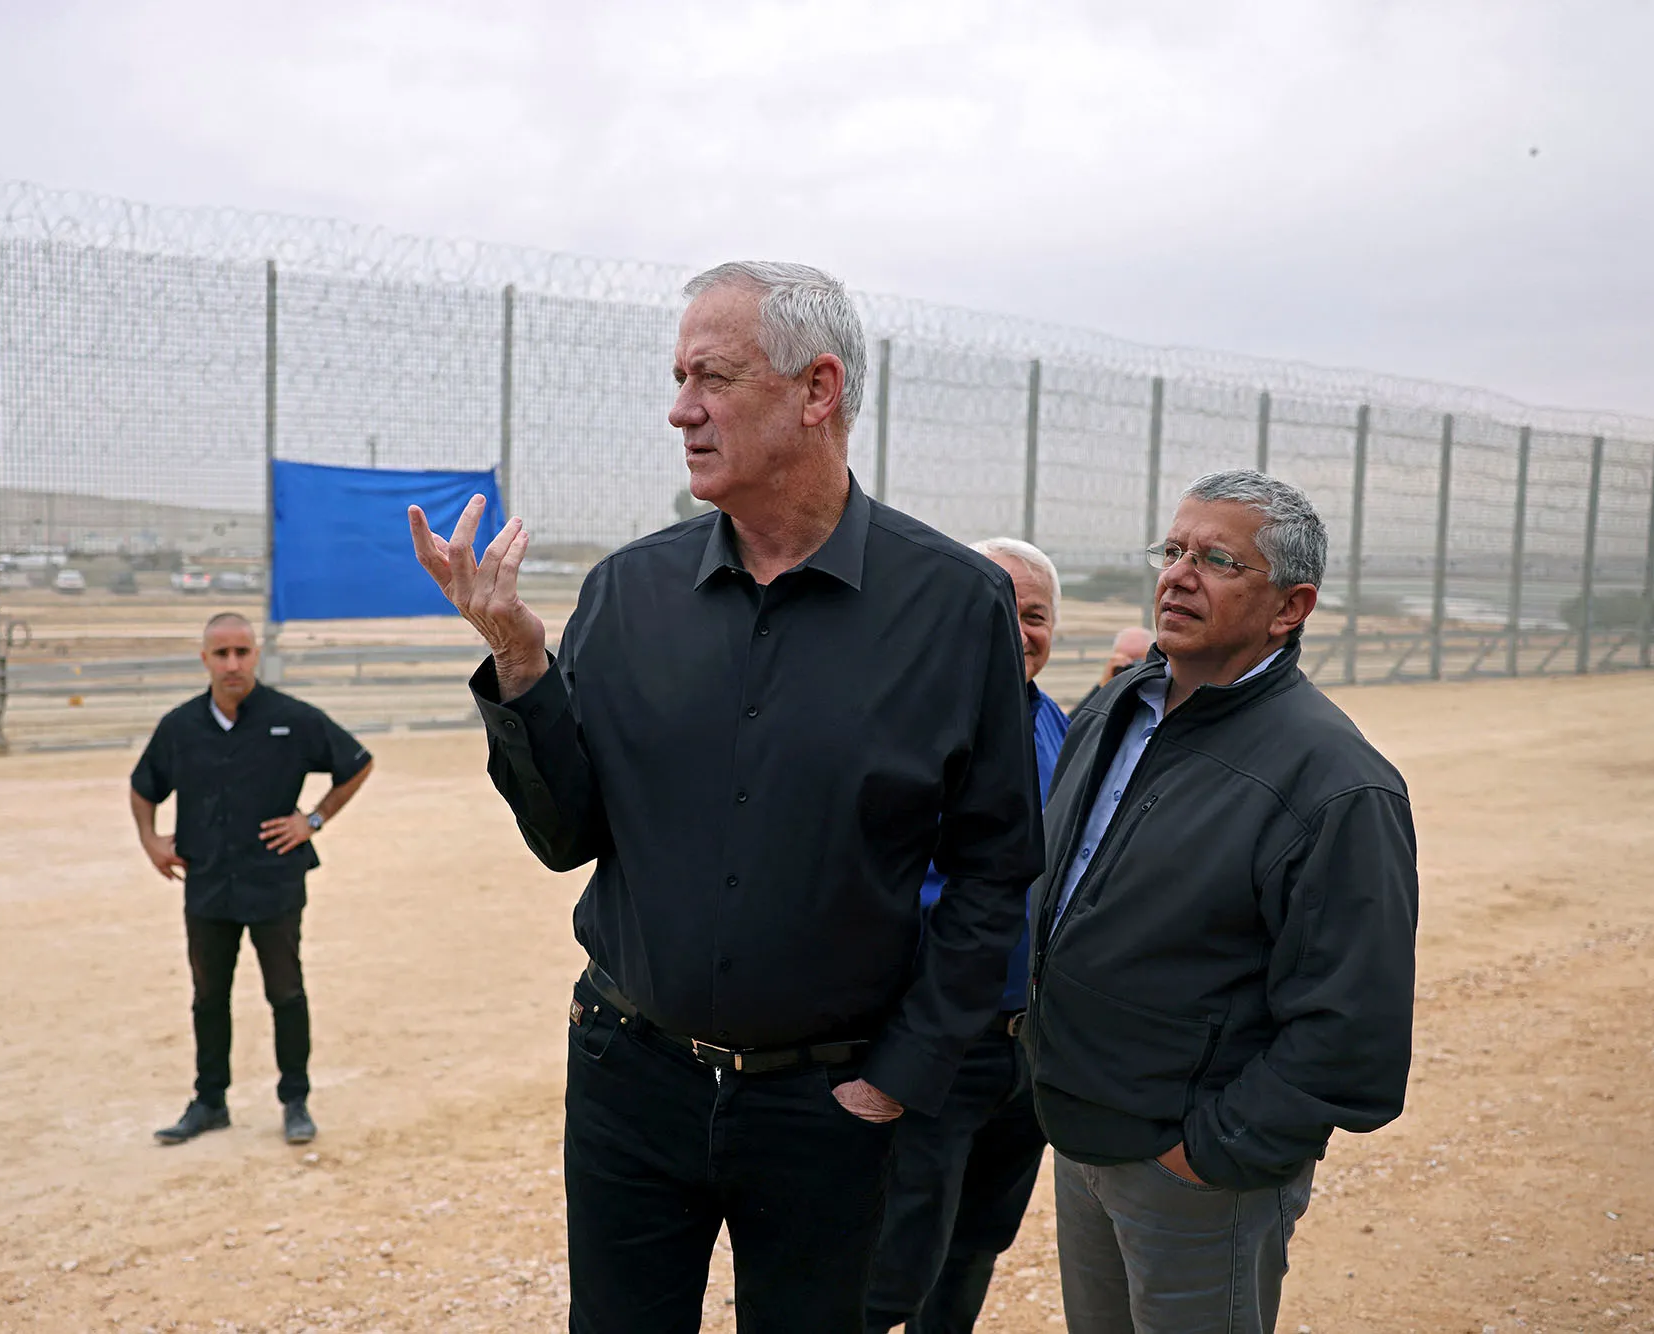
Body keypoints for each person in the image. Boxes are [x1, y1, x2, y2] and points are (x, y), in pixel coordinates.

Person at [408, 261, 1046, 1334]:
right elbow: (567, 834)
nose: (679, 408)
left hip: (831, 1108)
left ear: (817, 388)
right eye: (675, 375)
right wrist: (520, 661)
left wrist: (898, 1077)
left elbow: (994, 865)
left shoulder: (954, 605)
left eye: (711, 375)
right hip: (630, 1078)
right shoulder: (628, 590)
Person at [1024, 470, 1418, 1334]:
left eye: (1216, 560)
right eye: (1172, 550)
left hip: (1193, 1175)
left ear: (1291, 606)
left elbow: (1355, 1035)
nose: (1177, 574)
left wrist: (1205, 1154)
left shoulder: (1336, 783)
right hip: (1084, 1135)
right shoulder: (1118, 710)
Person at [864, 537, 1067, 1334]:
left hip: (1027, 1052)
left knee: (977, 1243)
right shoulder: (901, 730)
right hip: (934, 1044)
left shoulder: (1064, 730)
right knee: (893, 1265)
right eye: (998, 609)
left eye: (1036, 616)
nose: (1018, 632)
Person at [130, 612, 374, 1147]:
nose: (233, 663)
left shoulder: (291, 718)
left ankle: (295, 1101)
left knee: (285, 992)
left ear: (256, 655)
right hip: (208, 885)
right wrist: (151, 841)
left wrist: (311, 820)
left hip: (274, 884)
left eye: (242, 652)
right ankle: (210, 1102)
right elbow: (143, 785)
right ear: (205, 660)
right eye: (222, 654)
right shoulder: (180, 726)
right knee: (207, 996)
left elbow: (356, 762)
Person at [1074, 626, 1154, 713]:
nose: (1131, 670)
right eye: (1126, 665)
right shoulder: (1108, 689)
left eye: (1139, 662)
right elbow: (1074, 724)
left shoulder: (1159, 696)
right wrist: (1104, 686)